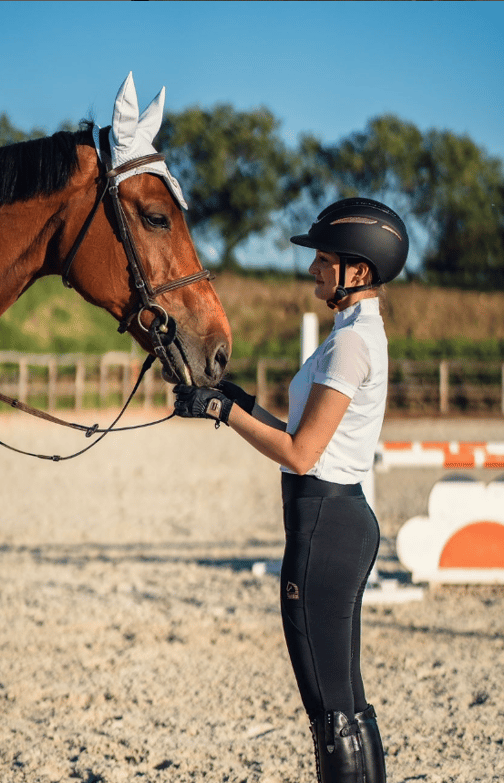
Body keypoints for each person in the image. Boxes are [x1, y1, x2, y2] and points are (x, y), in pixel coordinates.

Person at [173, 198, 408, 783]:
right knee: (345, 701)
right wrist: (239, 402)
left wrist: (223, 412)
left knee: (330, 711)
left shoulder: (351, 345)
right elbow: (304, 435)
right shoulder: (354, 334)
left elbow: (301, 454)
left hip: (324, 527)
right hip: (338, 520)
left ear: (358, 269)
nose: (312, 269)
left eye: (323, 259)